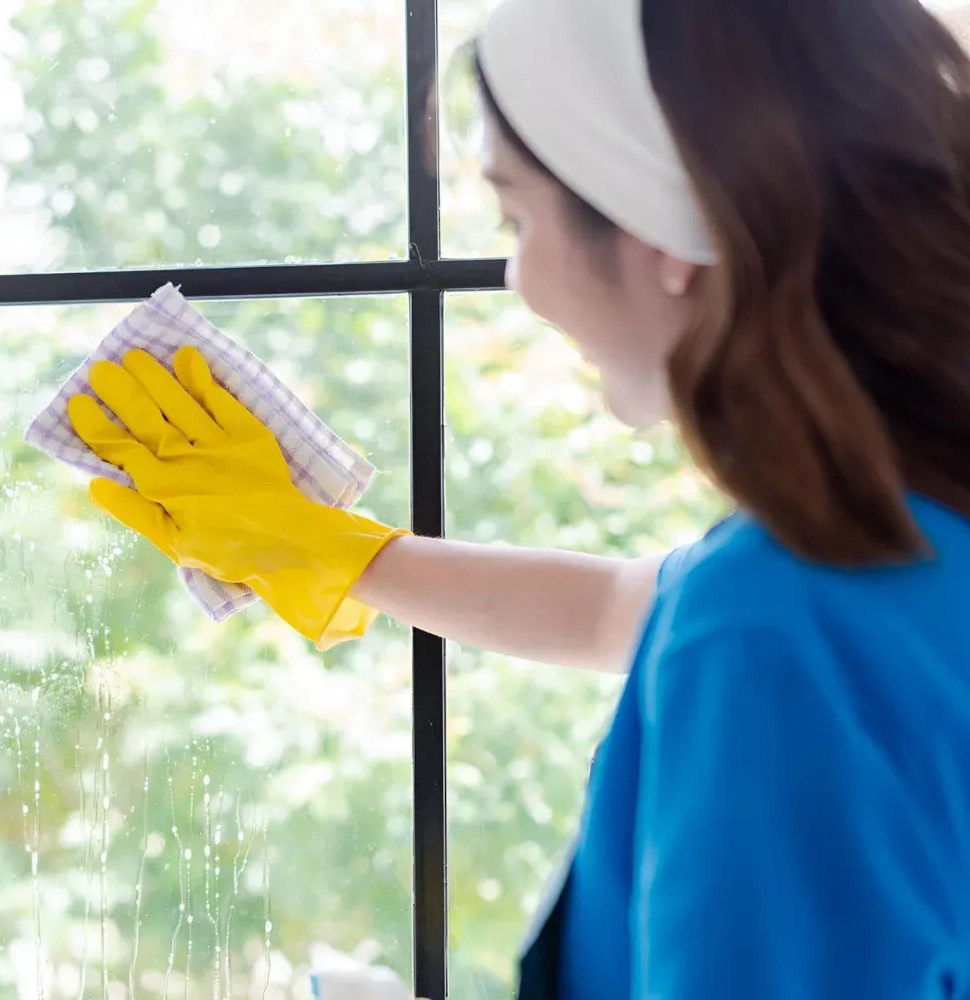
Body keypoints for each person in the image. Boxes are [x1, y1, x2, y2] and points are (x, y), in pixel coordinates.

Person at [65, 0, 970, 995]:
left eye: (518, 216)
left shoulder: (769, 625)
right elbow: (624, 607)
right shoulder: (897, 539)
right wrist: (329, 548)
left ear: (670, 229)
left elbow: (709, 621)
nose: (518, 275)